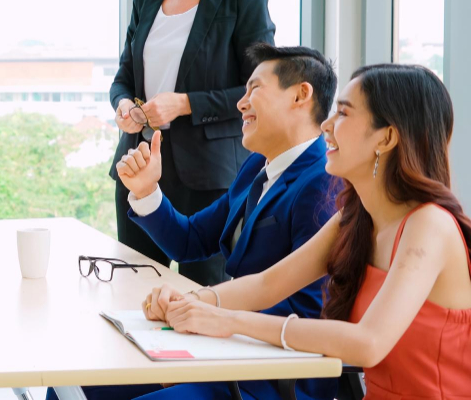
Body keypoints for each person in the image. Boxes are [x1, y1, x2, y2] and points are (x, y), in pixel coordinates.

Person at [152, 64, 471, 399]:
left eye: (344, 114)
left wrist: (229, 320)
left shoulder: (428, 225)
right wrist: (189, 302)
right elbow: (268, 284)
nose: (326, 125)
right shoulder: (356, 216)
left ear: (386, 137)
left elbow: (368, 343)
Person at [57, 45, 339, 400]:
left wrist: (203, 312)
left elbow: (310, 312)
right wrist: (146, 191)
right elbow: (189, 241)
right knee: (79, 384)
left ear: (300, 94)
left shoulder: (323, 182)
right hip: (222, 350)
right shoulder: (255, 167)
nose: (241, 102)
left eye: (255, 89)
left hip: (272, 375)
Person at [110, 0, 275, 287]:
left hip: (208, 177)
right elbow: (124, 77)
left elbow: (259, 88)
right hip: (140, 164)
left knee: (202, 300)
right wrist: (125, 105)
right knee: (134, 291)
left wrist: (185, 103)